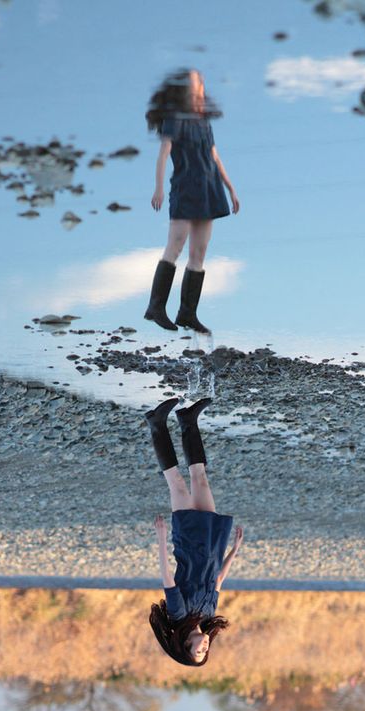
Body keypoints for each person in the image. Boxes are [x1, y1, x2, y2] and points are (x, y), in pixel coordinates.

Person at [146, 396, 244, 666]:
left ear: (185, 644)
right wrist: (234, 550)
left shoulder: (179, 614)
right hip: (213, 542)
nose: (203, 648)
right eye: (205, 653)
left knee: (177, 483)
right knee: (200, 477)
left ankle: (157, 423)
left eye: (196, 651)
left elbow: (167, 576)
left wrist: (162, 537)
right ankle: (188, 420)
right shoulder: (208, 613)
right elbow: (219, 580)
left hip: (188, 540)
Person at [144, 68, 240, 334]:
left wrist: (230, 187)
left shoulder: (204, 121)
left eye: (201, 81)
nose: (201, 85)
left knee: (199, 252)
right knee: (175, 246)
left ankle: (187, 312)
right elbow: (164, 152)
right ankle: (155, 307)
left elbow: (215, 156)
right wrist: (159, 187)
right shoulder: (175, 118)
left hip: (209, 188)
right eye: (196, 81)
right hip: (186, 186)